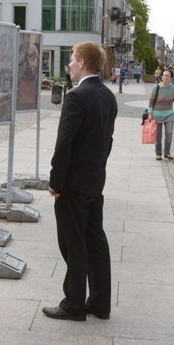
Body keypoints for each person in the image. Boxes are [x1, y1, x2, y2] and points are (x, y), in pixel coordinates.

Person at [43, 41, 118, 322]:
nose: (70, 65)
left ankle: (73, 304)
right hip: (95, 180)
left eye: (72, 60)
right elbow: (106, 142)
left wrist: (56, 182)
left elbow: (65, 144)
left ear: (83, 63)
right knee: (95, 240)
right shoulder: (108, 97)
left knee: (73, 243)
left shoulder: (76, 96)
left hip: (73, 184)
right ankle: (100, 302)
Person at [148, 70, 174, 161]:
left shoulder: (173, 89)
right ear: (162, 77)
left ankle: (167, 152)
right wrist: (150, 114)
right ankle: (158, 153)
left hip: (169, 114)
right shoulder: (156, 88)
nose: (165, 77)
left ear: (171, 78)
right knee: (158, 135)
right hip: (157, 115)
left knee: (169, 133)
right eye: (164, 75)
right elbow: (151, 102)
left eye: (168, 76)